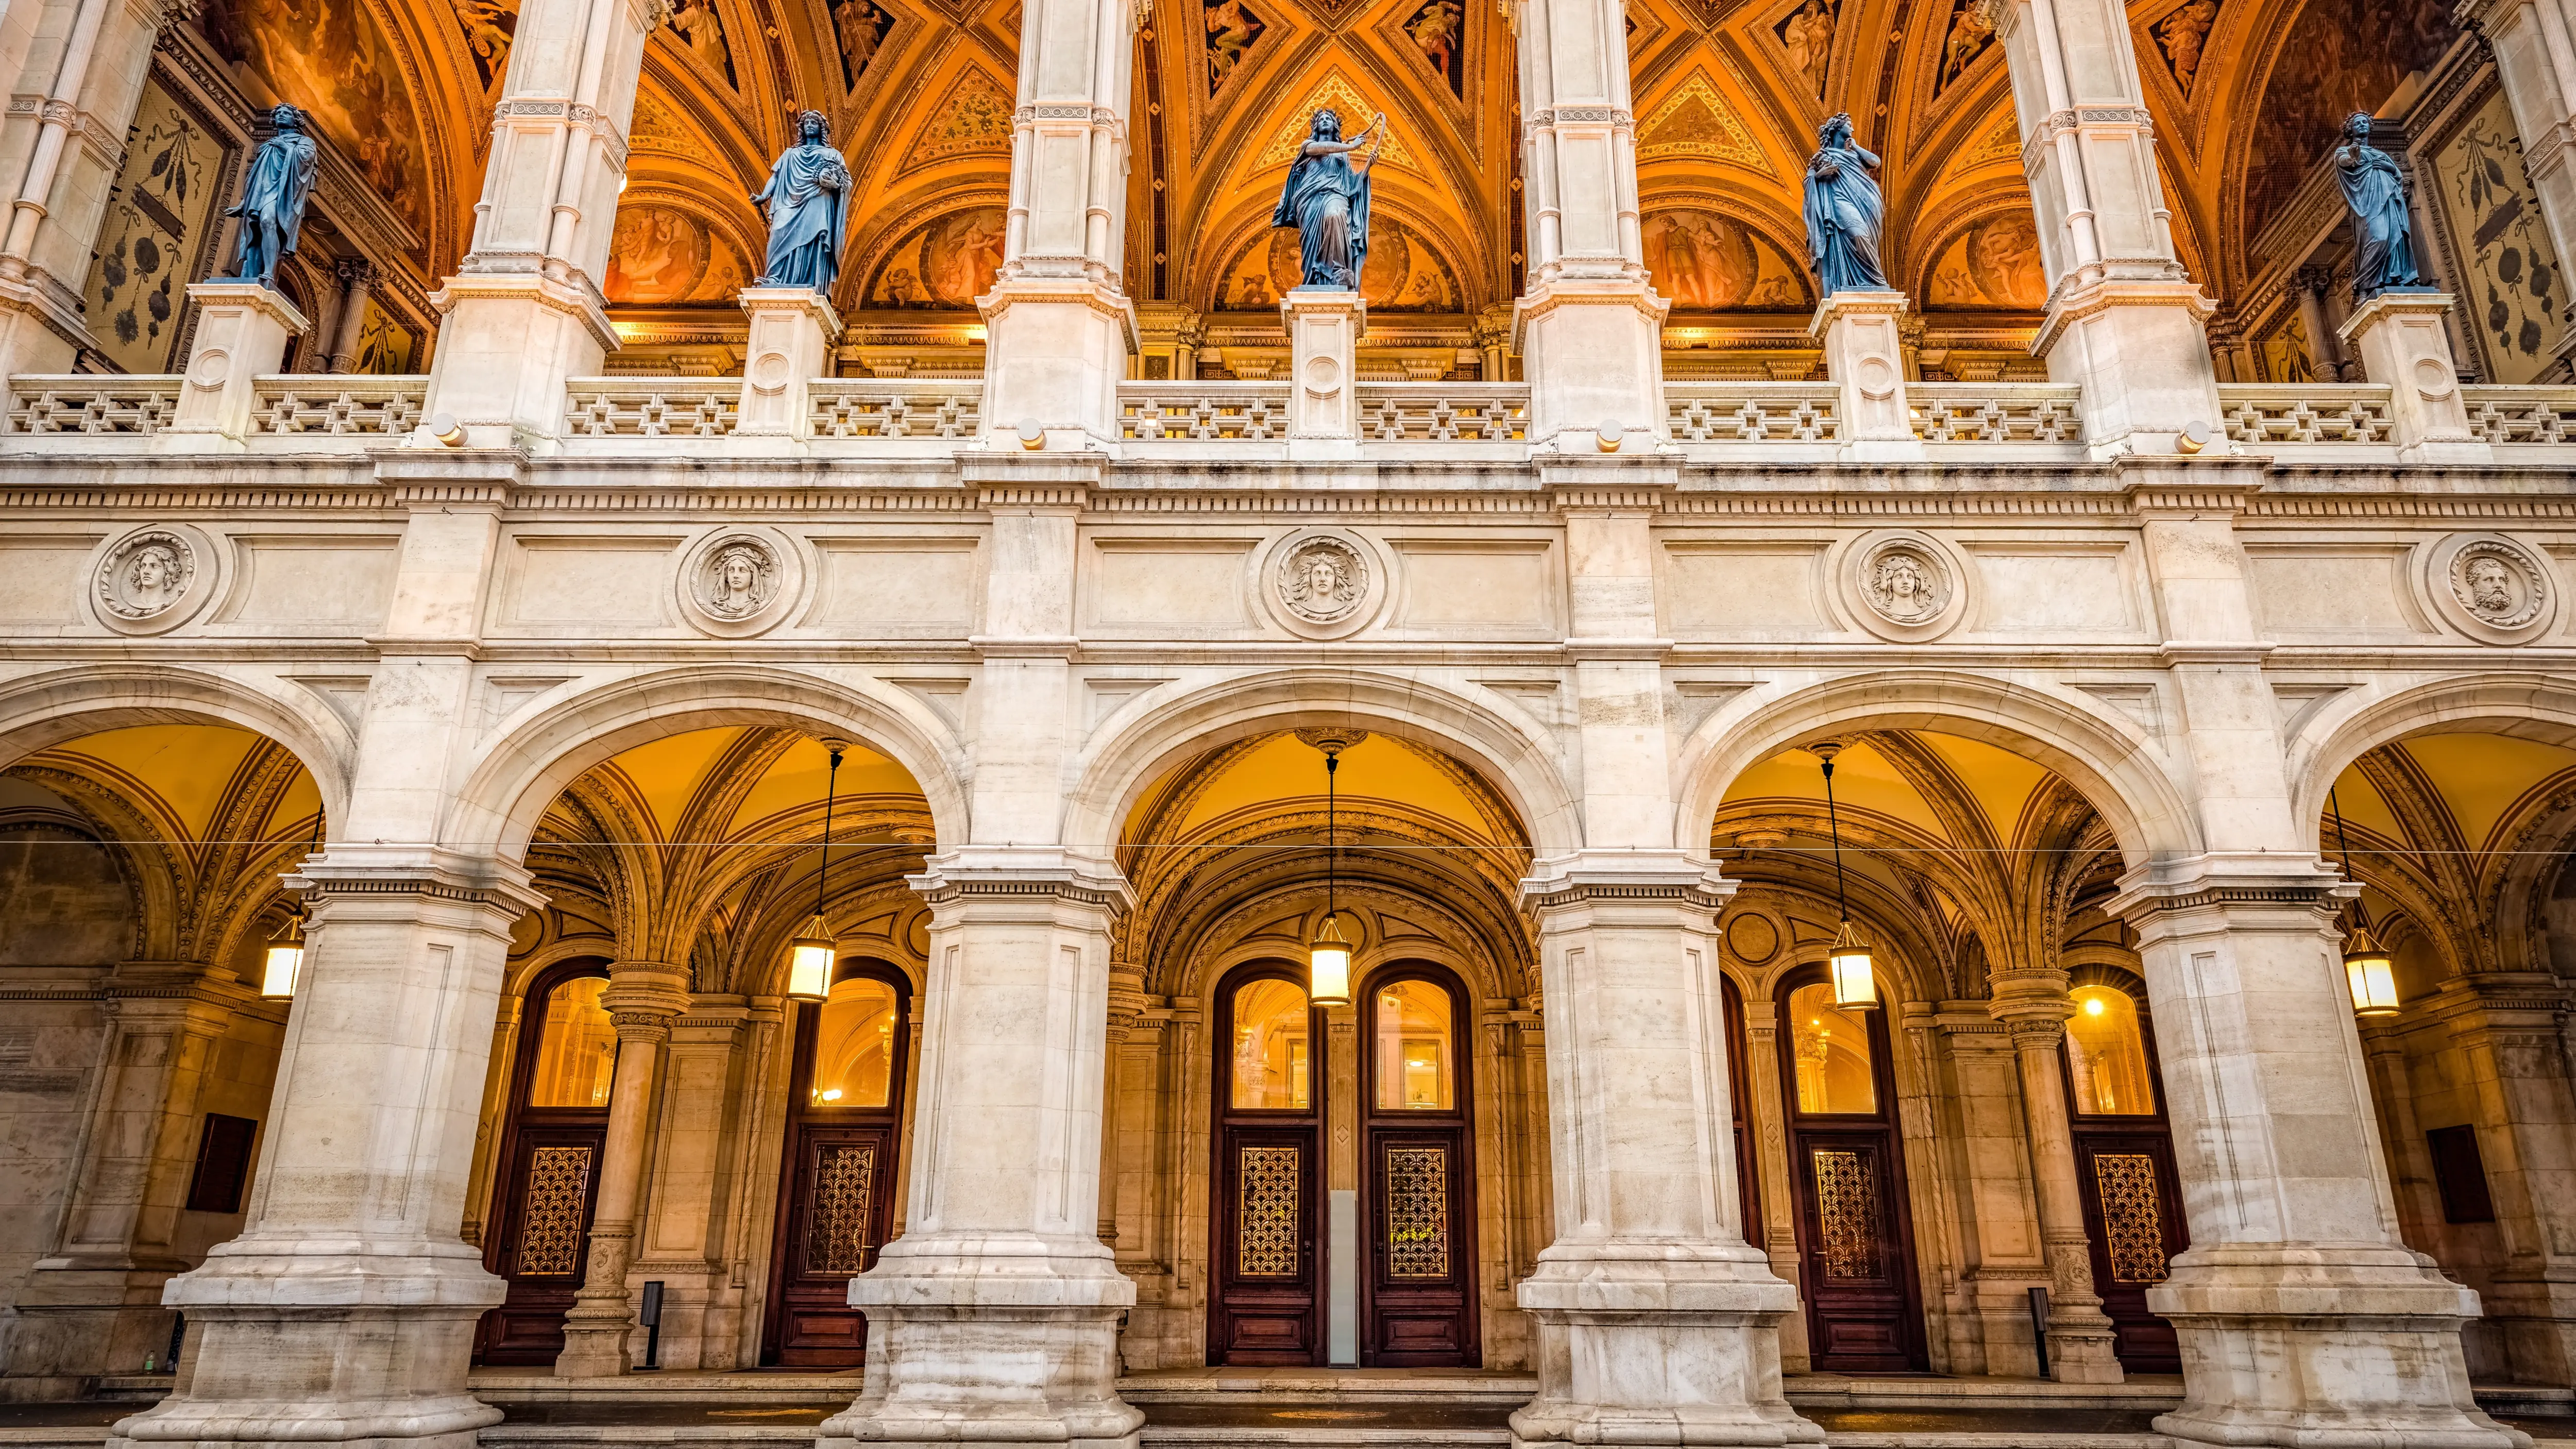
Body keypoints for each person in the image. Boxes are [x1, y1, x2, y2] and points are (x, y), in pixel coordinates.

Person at [1273, 108, 1384, 291]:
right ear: (1316, 127)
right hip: (1309, 199)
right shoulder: (1308, 146)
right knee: (1311, 242)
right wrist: (1351, 146)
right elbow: (1319, 150)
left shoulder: (1342, 155)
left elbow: (1352, 187)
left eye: (1329, 119)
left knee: (1336, 214)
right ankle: (1313, 278)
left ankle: (1339, 271)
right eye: (1321, 119)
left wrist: (1367, 167)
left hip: (1336, 195)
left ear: (1335, 127)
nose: (1325, 121)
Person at [750, 110, 850, 295]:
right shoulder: (790, 154)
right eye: (806, 123)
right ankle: (775, 278)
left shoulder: (833, 155)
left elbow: (845, 183)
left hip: (818, 199)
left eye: (814, 122)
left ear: (822, 128)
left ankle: (810, 280)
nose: (810, 125)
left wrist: (834, 184)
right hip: (788, 200)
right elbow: (776, 177)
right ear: (802, 129)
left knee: (814, 238)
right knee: (778, 232)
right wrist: (764, 196)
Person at [223, 106, 318, 289]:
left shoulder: (304, 142)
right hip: (261, 193)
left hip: (282, 193)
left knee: (267, 222)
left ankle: (268, 272)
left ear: (295, 120)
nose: (282, 115)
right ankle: (250, 274)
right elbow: (258, 176)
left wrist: (286, 149)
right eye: (279, 114)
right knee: (255, 232)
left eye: (287, 113)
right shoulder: (267, 145)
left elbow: (306, 161)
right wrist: (244, 202)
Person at [2334, 112, 2422, 302]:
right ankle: (2364, 283)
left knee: (2395, 237)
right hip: (2367, 202)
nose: (2362, 125)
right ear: (2351, 129)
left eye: (2365, 122)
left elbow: (2398, 177)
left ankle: (2399, 278)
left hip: (2390, 200)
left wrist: (2389, 167)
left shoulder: (2380, 154)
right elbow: (2344, 163)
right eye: (2358, 123)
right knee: (2379, 237)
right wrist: (2353, 158)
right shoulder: (2344, 151)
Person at [1802, 112, 1887, 294]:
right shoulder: (1822, 156)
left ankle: (1873, 285)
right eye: (1849, 125)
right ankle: (1872, 279)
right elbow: (1808, 183)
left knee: (1865, 237)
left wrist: (1855, 146)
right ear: (1837, 128)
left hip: (1865, 202)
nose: (1853, 129)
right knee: (1857, 235)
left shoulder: (1855, 155)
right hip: (1837, 203)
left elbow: (1875, 162)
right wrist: (1820, 175)